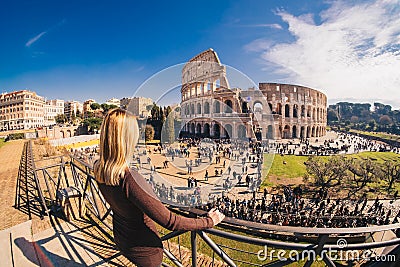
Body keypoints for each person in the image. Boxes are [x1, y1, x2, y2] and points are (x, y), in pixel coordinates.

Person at [94, 109, 225, 267]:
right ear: (127, 139)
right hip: (146, 252)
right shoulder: (129, 179)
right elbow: (171, 221)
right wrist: (208, 221)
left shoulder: (99, 168)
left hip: (122, 238)